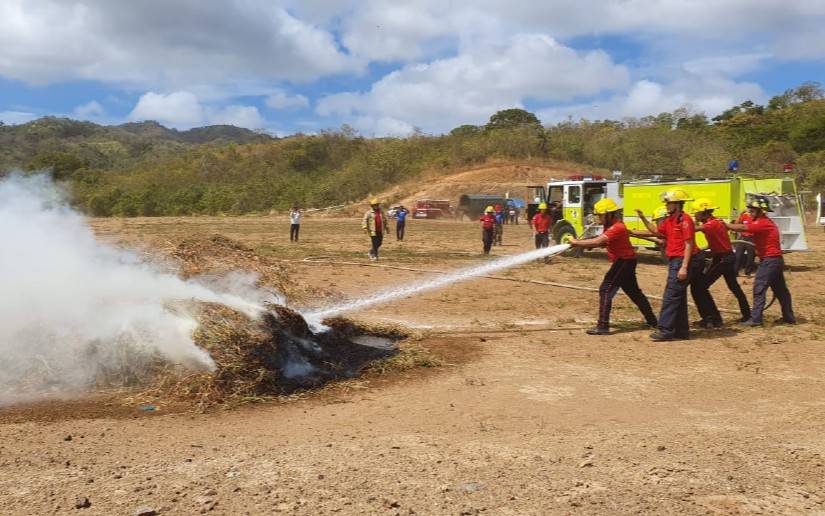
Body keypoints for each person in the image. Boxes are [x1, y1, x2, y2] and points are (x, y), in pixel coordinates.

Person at [569, 198, 658, 335]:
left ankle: (603, 326)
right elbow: (602, 243)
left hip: (624, 261)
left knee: (606, 290)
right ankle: (652, 321)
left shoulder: (617, 227)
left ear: (609, 214)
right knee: (634, 293)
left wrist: (577, 242)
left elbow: (599, 241)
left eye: (600, 215)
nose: (598, 217)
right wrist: (581, 243)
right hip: (626, 261)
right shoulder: (612, 226)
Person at [635, 189, 704, 341]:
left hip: (681, 261)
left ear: (677, 204)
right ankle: (681, 331)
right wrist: (643, 218)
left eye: (668, 202)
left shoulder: (685, 220)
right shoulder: (670, 220)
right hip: (675, 261)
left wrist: (684, 267)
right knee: (678, 296)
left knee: (671, 296)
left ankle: (665, 330)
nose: (666, 205)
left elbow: (689, 244)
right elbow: (656, 232)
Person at [725, 198, 796, 326]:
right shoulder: (761, 222)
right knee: (780, 290)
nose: (750, 213)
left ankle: (756, 319)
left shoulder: (763, 223)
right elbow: (744, 226)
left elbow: (742, 227)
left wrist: (725, 225)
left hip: (770, 260)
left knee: (759, 286)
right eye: (749, 210)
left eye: (752, 211)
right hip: (773, 260)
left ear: (761, 211)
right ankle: (789, 317)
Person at [692, 198, 751, 327]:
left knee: (700, 287)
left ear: (704, 212)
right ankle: (747, 315)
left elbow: (694, 229)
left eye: (696, 212)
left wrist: (680, 225)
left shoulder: (710, 224)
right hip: (727, 256)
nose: (694, 215)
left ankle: (712, 319)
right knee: (734, 287)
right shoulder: (716, 221)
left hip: (723, 258)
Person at [733, 211, 756, 276]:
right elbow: (736, 223)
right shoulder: (744, 215)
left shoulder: (756, 218)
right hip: (742, 238)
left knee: (750, 256)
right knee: (738, 255)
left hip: (752, 238)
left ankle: (748, 272)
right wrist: (740, 215)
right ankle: (735, 272)